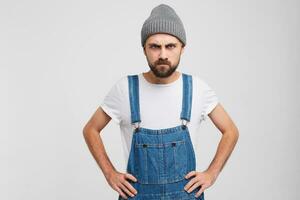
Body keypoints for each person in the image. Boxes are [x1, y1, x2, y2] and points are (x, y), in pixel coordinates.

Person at [83, 4, 239, 200]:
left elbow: (231, 131)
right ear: (144, 49)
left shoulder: (198, 88)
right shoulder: (125, 89)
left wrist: (212, 173)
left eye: (170, 46)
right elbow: (90, 129)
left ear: (182, 48)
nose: (163, 54)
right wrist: (109, 173)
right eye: (155, 46)